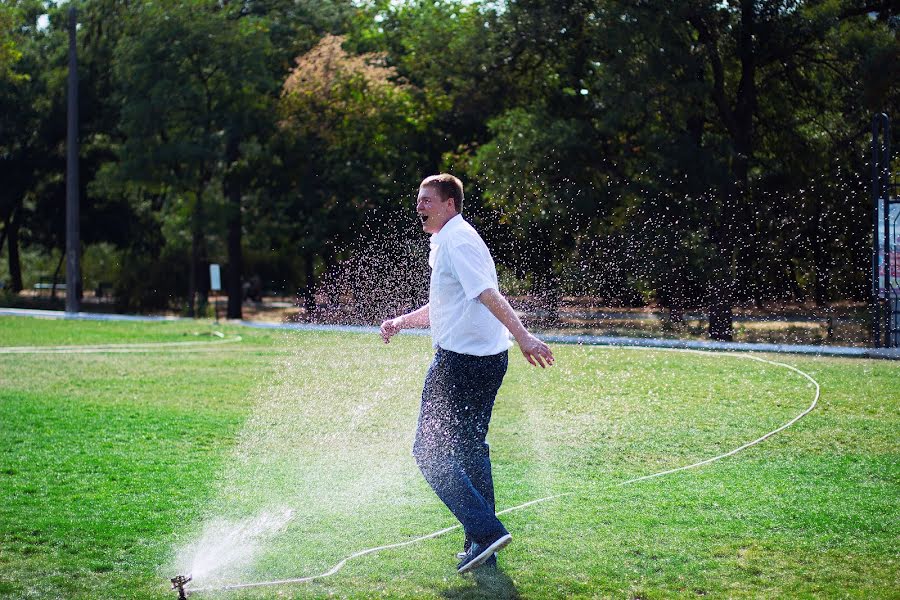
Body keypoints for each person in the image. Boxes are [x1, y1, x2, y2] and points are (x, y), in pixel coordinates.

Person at [380, 173, 555, 574]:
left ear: (449, 205)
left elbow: (487, 293)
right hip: (485, 361)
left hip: (461, 364)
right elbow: (448, 304)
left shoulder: (457, 241)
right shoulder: (448, 240)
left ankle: (485, 531)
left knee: (428, 452)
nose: (419, 206)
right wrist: (403, 321)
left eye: (427, 200)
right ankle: (483, 543)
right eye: (419, 199)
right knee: (471, 449)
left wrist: (525, 337)